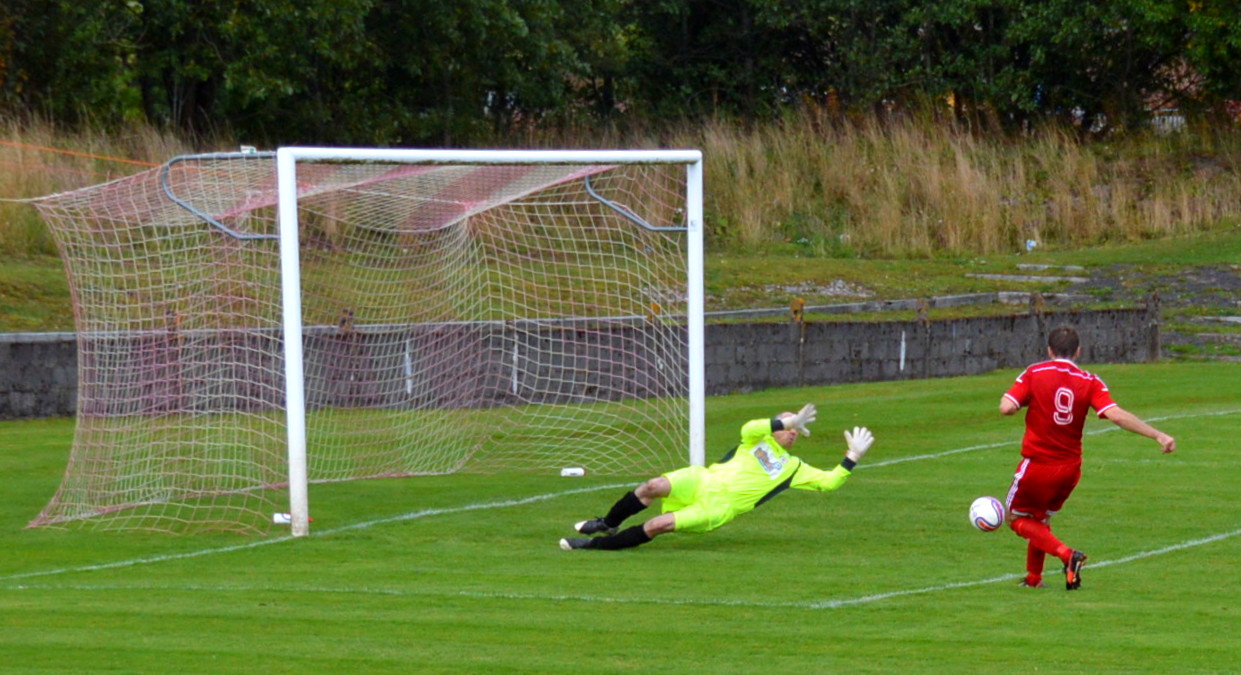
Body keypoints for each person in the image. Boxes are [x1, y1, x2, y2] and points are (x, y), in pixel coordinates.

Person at [999, 324, 1176, 590]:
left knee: (1016, 519)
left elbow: (1006, 408)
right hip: (1069, 470)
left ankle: (1067, 555)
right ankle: (1034, 578)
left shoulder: (1035, 373)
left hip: (1038, 465)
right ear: (1078, 351)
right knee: (1040, 520)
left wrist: (1024, 402)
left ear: (1049, 350)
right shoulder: (1090, 381)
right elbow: (1116, 415)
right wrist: (1157, 435)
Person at [559, 403, 874, 551]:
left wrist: (852, 457)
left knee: (657, 525)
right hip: (703, 479)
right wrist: (785, 421)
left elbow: (830, 482)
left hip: (718, 506)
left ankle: (592, 546)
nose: (792, 432)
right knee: (652, 486)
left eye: (796, 429)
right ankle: (608, 523)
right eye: (787, 426)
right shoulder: (756, 439)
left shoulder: (793, 468)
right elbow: (750, 427)